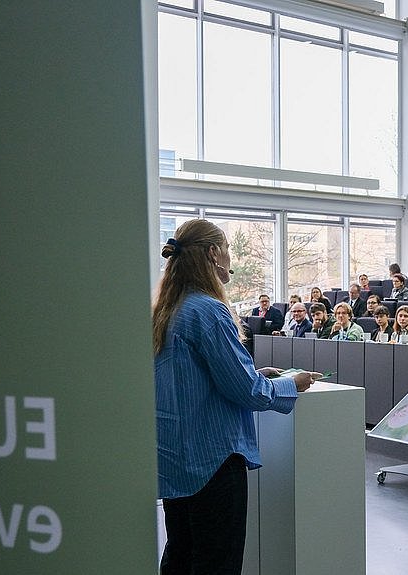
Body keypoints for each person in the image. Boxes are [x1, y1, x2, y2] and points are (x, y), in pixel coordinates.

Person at [153, 220, 316, 574]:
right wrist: (292, 384)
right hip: (212, 460)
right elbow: (246, 392)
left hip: (175, 458)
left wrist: (253, 373)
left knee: (180, 553)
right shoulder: (209, 311)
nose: (230, 258)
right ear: (213, 253)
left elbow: (192, 381)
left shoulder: (168, 311)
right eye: (226, 249)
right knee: (217, 562)